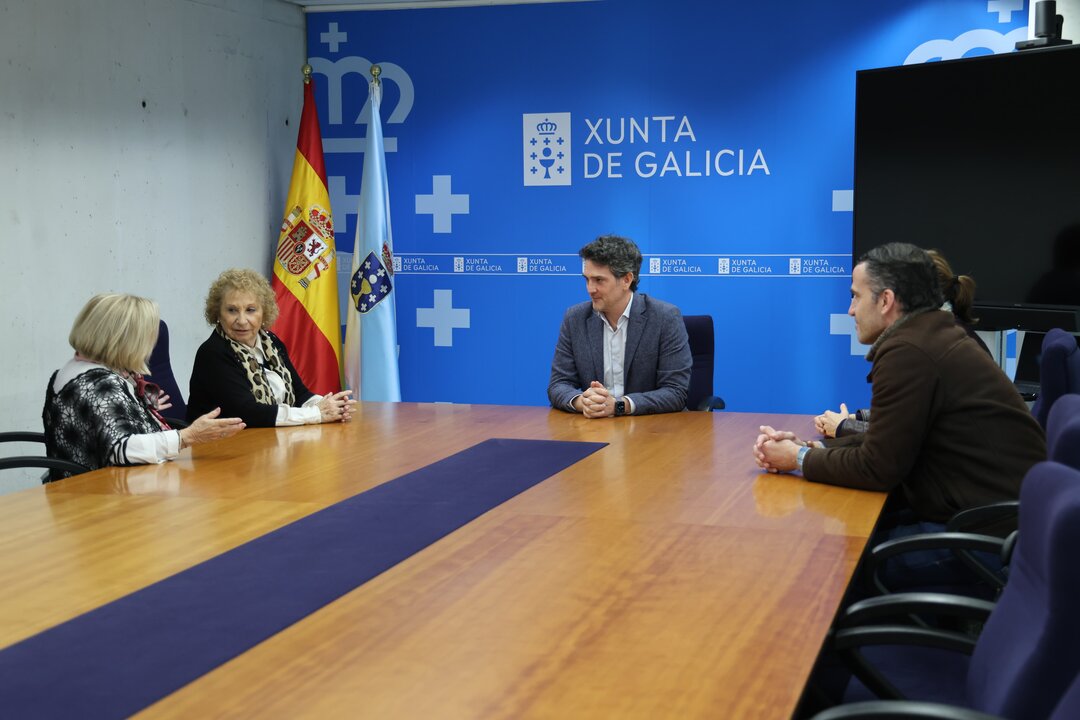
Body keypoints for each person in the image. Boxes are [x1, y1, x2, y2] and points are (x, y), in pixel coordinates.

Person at [754, 243, 1045, 535]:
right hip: (998, 518)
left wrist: (797, 458)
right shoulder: (930, 335)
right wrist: (811, 448)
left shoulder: (910, 351)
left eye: (855, 296)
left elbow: (877, 468)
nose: (851, 310)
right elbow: (886, 442)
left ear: (886, 301)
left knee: (849, 565)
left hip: (991, 537)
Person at [43, 293, 245, 477]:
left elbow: (100, 425)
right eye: (146, 339)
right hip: (104, 496)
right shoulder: (99, 383)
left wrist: (138, 409)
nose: (149, 346)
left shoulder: (77, 368)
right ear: (123, 341)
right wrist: (188, 436)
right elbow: (123, 448)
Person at [814, 249, 991, 438]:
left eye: (859, 296)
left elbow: (899, 440)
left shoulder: (927, 347)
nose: (851, 310)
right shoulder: (944, 332)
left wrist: (843, 427)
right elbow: (914, 415)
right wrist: (858, 419)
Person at [187, 268, 355, 427]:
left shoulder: (271, 342)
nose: (242, 320)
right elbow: (248, 413)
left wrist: (331, 406)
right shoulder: (213, 353)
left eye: (251, 310)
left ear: (264, 312)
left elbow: (300, 393)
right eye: (232, 310)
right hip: (221, 448)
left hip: (268, 441)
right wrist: (316, 414)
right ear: (217, 313)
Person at [548, 235, 692, 417]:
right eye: (587, 279)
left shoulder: (665, 318)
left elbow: (675, 392)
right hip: (593, 429)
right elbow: (558, 384)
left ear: (626, 280)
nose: (590, 289)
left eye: (599, 280)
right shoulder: (575, 318)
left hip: (651, 430)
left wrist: (618, 406)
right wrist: (583, 402)